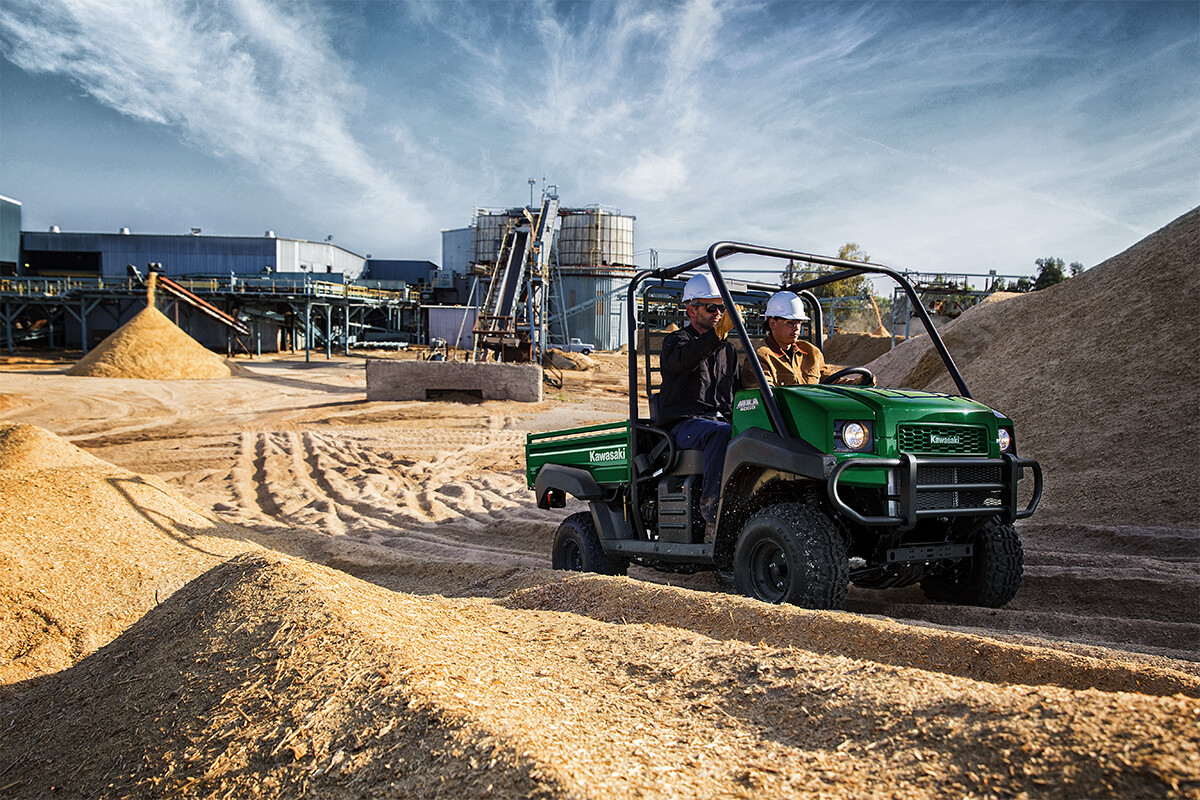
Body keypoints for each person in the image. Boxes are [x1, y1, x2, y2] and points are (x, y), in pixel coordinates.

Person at [657, 273, 738, 525]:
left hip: (717, 421)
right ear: (691, 310)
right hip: (683, 425)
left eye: (721, 308)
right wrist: (716, 334)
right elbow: (684, 360)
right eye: (710, 307)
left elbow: (734, 394)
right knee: (720, 434)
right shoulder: (677, 342)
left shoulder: (728, 350)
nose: (717, 313)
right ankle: (713, 508)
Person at [740, 290, 827, 388]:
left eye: (799, 322)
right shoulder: (760, 357)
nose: (797, 328)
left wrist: (847, 384)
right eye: (790, 322)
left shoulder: (812, 352)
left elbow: (830, 378)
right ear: (772, 323)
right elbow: (765, 396)